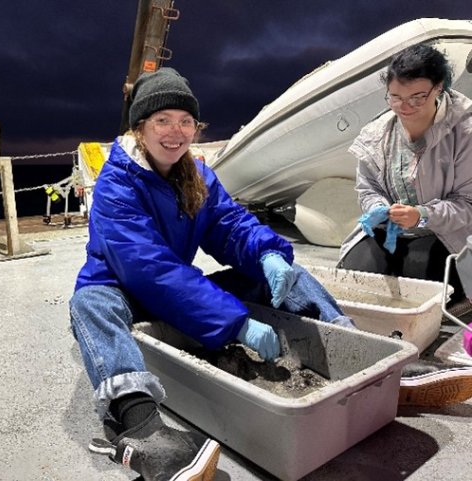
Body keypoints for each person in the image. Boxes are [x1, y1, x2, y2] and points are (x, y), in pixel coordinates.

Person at [69, 67, 355, 481]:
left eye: (186, 121)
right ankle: (144, 430)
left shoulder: (198, 176)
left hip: (179, 299)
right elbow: (149, 270)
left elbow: (232, 227)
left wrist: (267, 256)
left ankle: (358, 351)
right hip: (127, 293)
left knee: (282, 271)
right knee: (89, 303)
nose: (176, 131)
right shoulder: (116, 184)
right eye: (163, 121)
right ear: (139, 128)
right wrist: (236, 323)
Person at [338, 43, 472, 406]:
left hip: (445, 233)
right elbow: (366, 189)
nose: (405, 107)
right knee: (355, 273)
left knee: (419, 276)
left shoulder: (466, 131)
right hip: (395, 230)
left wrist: (424, 214)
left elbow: (468, 205)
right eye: (395, 97)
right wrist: (378, 207)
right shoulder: (376, 134)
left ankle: (421, 356)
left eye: (417, 97)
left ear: (439, 88)